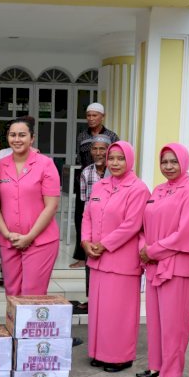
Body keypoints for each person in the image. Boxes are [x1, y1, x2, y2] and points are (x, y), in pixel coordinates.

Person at [135, 143, 189, 377]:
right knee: (155, 320)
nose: (168, 166)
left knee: (174, 324)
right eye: (164, 161)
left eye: (174, 161)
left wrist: (151, 250)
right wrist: (144, 247)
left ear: (184, 162)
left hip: (176, 267)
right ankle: (156, 365)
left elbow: (186, 233)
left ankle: (171, 371)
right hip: (154, 265)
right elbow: (145, 224)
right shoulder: (159, 189)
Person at [81, 140, 149, 372]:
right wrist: (86, 241)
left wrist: (104, 245)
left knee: (119, 312)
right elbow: (87, 215)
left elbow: (132, 224)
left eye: (120, 158)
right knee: (99, 310)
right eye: (112, 158)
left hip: (121, 261)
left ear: (129, 160)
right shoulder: (100, 185)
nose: (115, 163)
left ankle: (120, 356)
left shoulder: (138, 188)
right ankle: (99, 352)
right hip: (98, 260)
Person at [0, 117, 60, 296]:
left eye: (22, 135)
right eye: (12, 135)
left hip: (40, 241)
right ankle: (14, 325)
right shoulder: (0, 166)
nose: (17, 139)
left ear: (32, 138)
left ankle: (28, 326)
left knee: (32, 293)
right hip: (9, 240)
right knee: (12, 292)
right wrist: (7, 234)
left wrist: (29, 237)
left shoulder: (46, 164)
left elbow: (51, 206)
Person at [71, 102, 119, 269]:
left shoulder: (112, 136)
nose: (91, 119)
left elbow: (117, 156)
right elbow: (79, 157)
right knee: (81, 217)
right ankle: (81, 255)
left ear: (102, 116)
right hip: (86, 179)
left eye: (94, 115)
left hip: (106, 179)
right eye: (88, 115)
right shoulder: (82, 135)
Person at [73, 134, 111, 313]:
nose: (98, 152)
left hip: (112, 226)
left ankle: (107, 298)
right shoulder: (86, 172)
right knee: (91, 262)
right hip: (93, 225)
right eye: (94, 149)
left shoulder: (116, 169)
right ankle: (91, 298)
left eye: (102, 149)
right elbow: (84, 203)